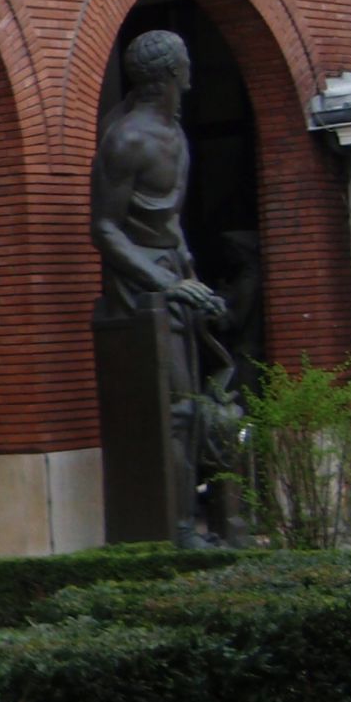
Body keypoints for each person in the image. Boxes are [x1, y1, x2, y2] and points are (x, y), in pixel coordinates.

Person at [90, 29, 232, 546]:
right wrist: (167, 284)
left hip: (172, 276)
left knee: (194, 406)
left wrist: (192, 280)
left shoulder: (177, 134)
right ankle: (172, 529)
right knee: (175, 409)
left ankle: (187, 523)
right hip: (140, 288)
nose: (192, 73)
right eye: (187, 63)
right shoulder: (127, 139)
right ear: (171, 73)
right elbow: (104, 229)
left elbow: (170, 222)